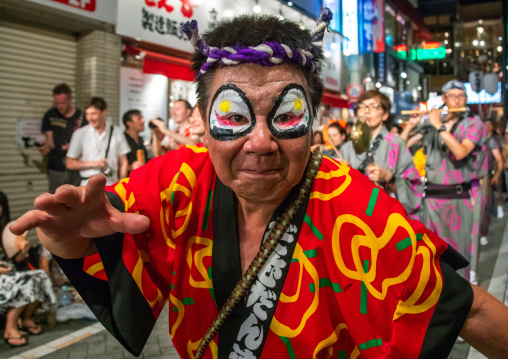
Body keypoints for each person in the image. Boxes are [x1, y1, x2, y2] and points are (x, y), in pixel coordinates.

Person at [10, 11, 508, 359]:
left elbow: (469, 309)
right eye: (234, 117)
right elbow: (90, 240)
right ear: (203, 121)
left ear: (313, 121)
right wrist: (64, 236)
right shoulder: (176, 180)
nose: (262, 142)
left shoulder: (352, 202)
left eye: (286, 114)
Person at [402, 80, 487, 283]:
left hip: (458, 197)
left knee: (458, 254)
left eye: (461, 96)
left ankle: (465, 299)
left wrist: (439, 126)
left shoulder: (474, 123)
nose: (457, 100)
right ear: (444, 99)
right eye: (452, 96)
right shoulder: (430, 125)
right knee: (432, 255)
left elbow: (460, 151)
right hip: (431, 198)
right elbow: (401, 145)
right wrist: (411, 125)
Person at [341, 90, 422, 216]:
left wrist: (389, 178)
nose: (366, 111)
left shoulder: (396, 143)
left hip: (385, 215)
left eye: (373, 106)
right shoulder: (347, 147)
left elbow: (413, 186)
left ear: (385, 115)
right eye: (362, 107)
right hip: (353, 215)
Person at [66, 97, 130, 186]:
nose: (89, 118)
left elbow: (123, 161)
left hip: (112, 185)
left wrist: (122, 183)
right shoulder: (80, 134)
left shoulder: (116, 131)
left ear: (103, 112)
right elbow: (69, 163)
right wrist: (95, 163)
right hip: (87, 185)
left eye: (93, 114)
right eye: (87, 114)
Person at [39, 84, 86, 193]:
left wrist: (75, 146)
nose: (60, 106)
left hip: (76, 168)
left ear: (70, 100)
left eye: (63, 103)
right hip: (56, 167)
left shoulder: (81, 117)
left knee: (75, 199)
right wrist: (45, 148)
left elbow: (89, 142)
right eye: (57, 103)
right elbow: (49, 142)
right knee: (55, 200)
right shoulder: (50, 115)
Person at [122, 109, 149, 175]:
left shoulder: (141, 139)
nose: (143, 121)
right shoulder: (122, 139)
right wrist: (130, 167)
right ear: (129, 123)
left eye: (142, 118)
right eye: (139, 119)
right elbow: (116, 164)